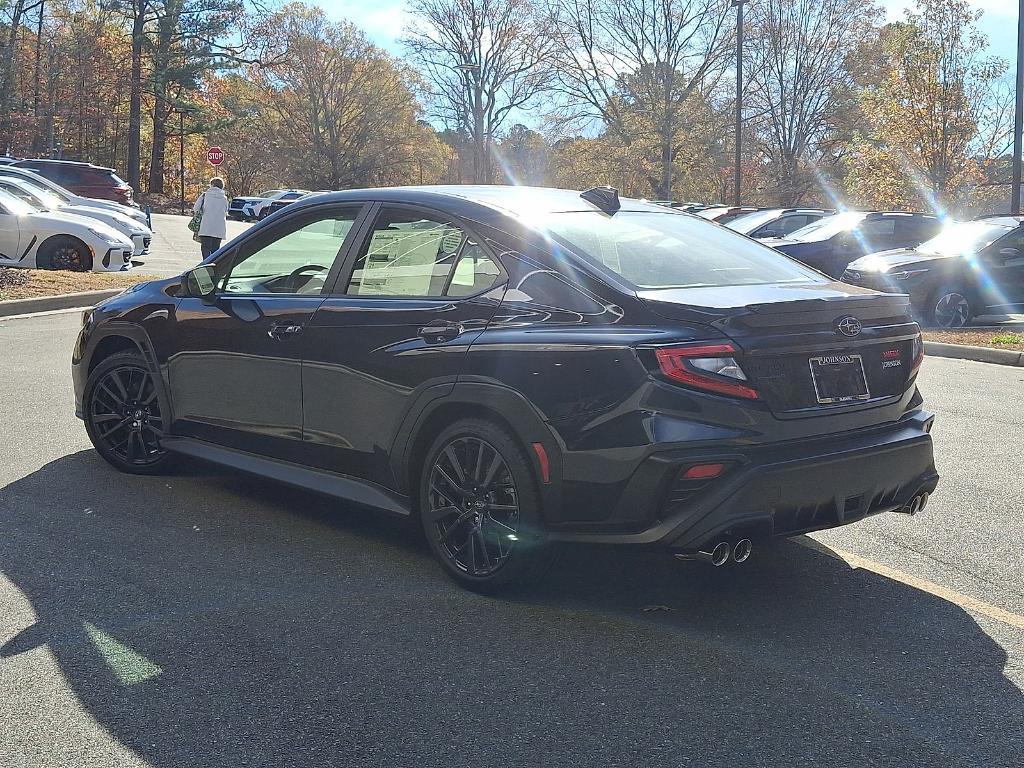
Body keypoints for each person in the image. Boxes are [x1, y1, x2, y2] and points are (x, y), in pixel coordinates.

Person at [193, 177, 229, 259]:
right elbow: (226, 210)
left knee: (205, 247)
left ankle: (206, 264)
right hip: (219, 228)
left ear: (212, 185)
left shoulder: (205, 195)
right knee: (216, 249)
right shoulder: (224, 198)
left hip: (206, 226)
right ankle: (214, 265)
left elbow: (196, 208)